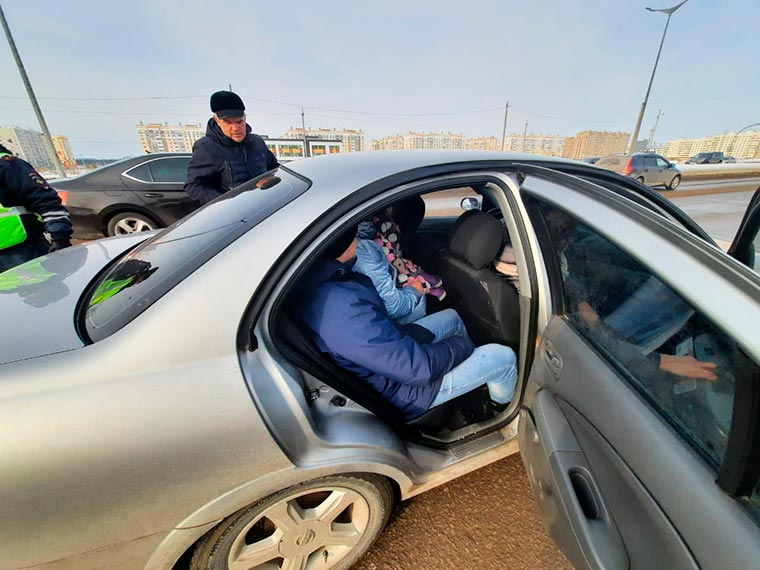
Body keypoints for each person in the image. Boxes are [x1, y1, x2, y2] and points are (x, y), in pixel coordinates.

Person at [297, 225, 517, 421]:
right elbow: (417, 369)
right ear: (341, 246)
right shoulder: (344, 308)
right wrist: (462, 346)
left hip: (390, 359)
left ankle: (474, 377)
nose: (359, 240)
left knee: (451, 317)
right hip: (403, 391)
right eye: (354, 235)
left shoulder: (328, 280)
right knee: (504, 358)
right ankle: (498, 411)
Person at [184, 90, 279, 205]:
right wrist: (226, 203)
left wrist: (270, 181)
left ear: (245, 119)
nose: (235, 128)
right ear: (217, 121)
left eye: (239, 122)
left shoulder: (256, 142)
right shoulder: (206, 147)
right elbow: (194, 186)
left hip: (264, 206)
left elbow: (275, 170)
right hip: (235, 214)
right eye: (228, 123)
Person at [0, 144, 72, 273]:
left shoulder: (7, 164)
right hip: (14, 255)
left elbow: (46, 201)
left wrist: (60, 238)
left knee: (43, 289)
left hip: (21, 252)